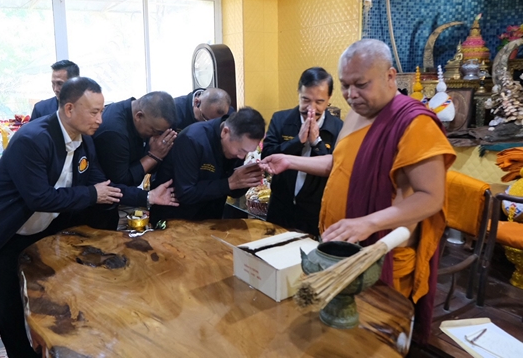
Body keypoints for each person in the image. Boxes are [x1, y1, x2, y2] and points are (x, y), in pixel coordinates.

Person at [260, 39, 455, 344]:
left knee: (373, 340)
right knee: (337, 337)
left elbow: (431, 197)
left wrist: (368, 223)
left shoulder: (414, 123)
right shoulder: (356, 114)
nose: (351, 94)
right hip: (340, 247)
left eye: (361, 84)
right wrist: (290, 160)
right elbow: (337, 163)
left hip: (379, 253)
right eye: (345, 85)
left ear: (390, 76)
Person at [0, 77, 177, 357]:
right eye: (94, 112)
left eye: (101, 111)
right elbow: (39, 198)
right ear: (69, 109)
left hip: (40, 229)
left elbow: (103, 186)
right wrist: (91, 194)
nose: (100, 119)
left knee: (47, 297)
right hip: (3, 230)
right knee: (10, 308)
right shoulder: (33, 139)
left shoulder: (84, 142)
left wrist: (147, 197)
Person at [262, 67, 343, 236]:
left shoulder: (338, 128)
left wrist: (316, 142)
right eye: (305, 100)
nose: (311, 108)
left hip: (314, 213)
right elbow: (267, 157)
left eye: (319, 102)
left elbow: (335, 171)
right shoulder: (280, 119)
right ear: (299, 93)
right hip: (280, 209)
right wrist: (297, 141)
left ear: (329, 99)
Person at [151, 107, 266, 222]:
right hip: (175, 219)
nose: (242, 156)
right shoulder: (192, 139)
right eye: (241, 150)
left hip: (211, 219)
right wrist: (229, 183)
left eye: (247, 152)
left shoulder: (237, 146)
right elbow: (186, 193)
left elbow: (232, 191)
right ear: (225, 132)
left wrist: (246, 180)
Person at [92, 91, 178, 188]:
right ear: (139, 116)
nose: (156, 136)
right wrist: (154, 156)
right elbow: (120, 183)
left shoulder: (135, 112)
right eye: (154, 131)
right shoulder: (114, 133)